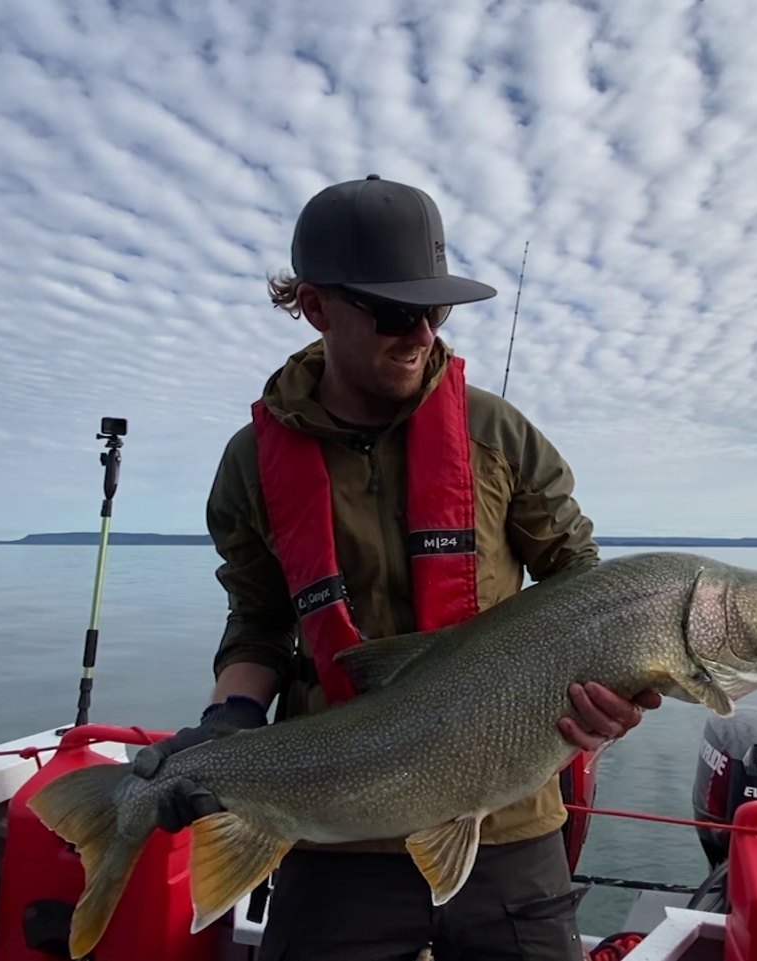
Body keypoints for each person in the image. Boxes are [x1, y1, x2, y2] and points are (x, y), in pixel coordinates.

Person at [132, 174, 662, 960]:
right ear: (315, 307)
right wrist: (230, 721)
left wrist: (610, 689)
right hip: (328, 827)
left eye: (435, 309)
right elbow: (259, 621)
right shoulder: (251, 467)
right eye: (391, 311)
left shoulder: (499, 436)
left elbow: (581, 585)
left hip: (507, 825)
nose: (420, 333)